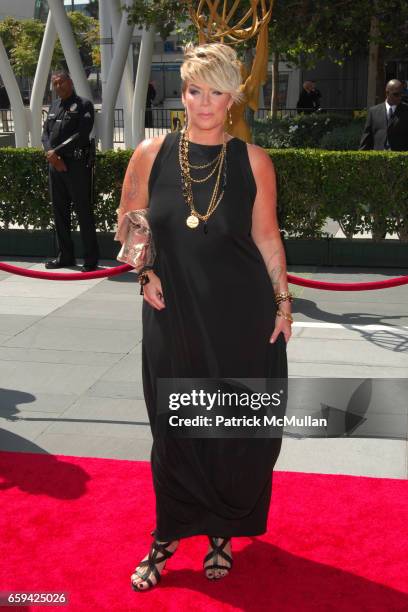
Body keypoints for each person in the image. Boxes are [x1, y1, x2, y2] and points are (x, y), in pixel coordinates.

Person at [117, 42, 292, 591]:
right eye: (196, 90)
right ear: (183, 92)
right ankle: (167, 534)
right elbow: (129, 222)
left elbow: (266, 236)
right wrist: (144, 273)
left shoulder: (253, 161)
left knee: (233, 427)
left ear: (234, 96)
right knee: (173, 428)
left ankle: (221, 531)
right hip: (175, 314)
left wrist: (283, 302)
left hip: (241, 315)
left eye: (218, 92)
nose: (206, 104)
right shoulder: (150, 152)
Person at [41, 71, 99, 271]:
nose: (58, 86)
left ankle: (90, 260)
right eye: (55, 84)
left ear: (71, 82)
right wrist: (52, 155)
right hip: (55, 165)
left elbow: (81, 135)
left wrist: (55, 153)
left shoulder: (84, 104)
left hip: (76, 166)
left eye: (61, 82)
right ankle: (65, 256)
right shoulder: (54, 106)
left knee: (83, 212)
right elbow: (45, 134)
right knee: (59, 212)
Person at [359, 79, 408, 151]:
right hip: (379, 159)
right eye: (396, 94)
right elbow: (367, 138)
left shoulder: (406, 110)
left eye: (401, 94)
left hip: (400, 159)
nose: (400, 97)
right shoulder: (374, 112)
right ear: (387, 93)